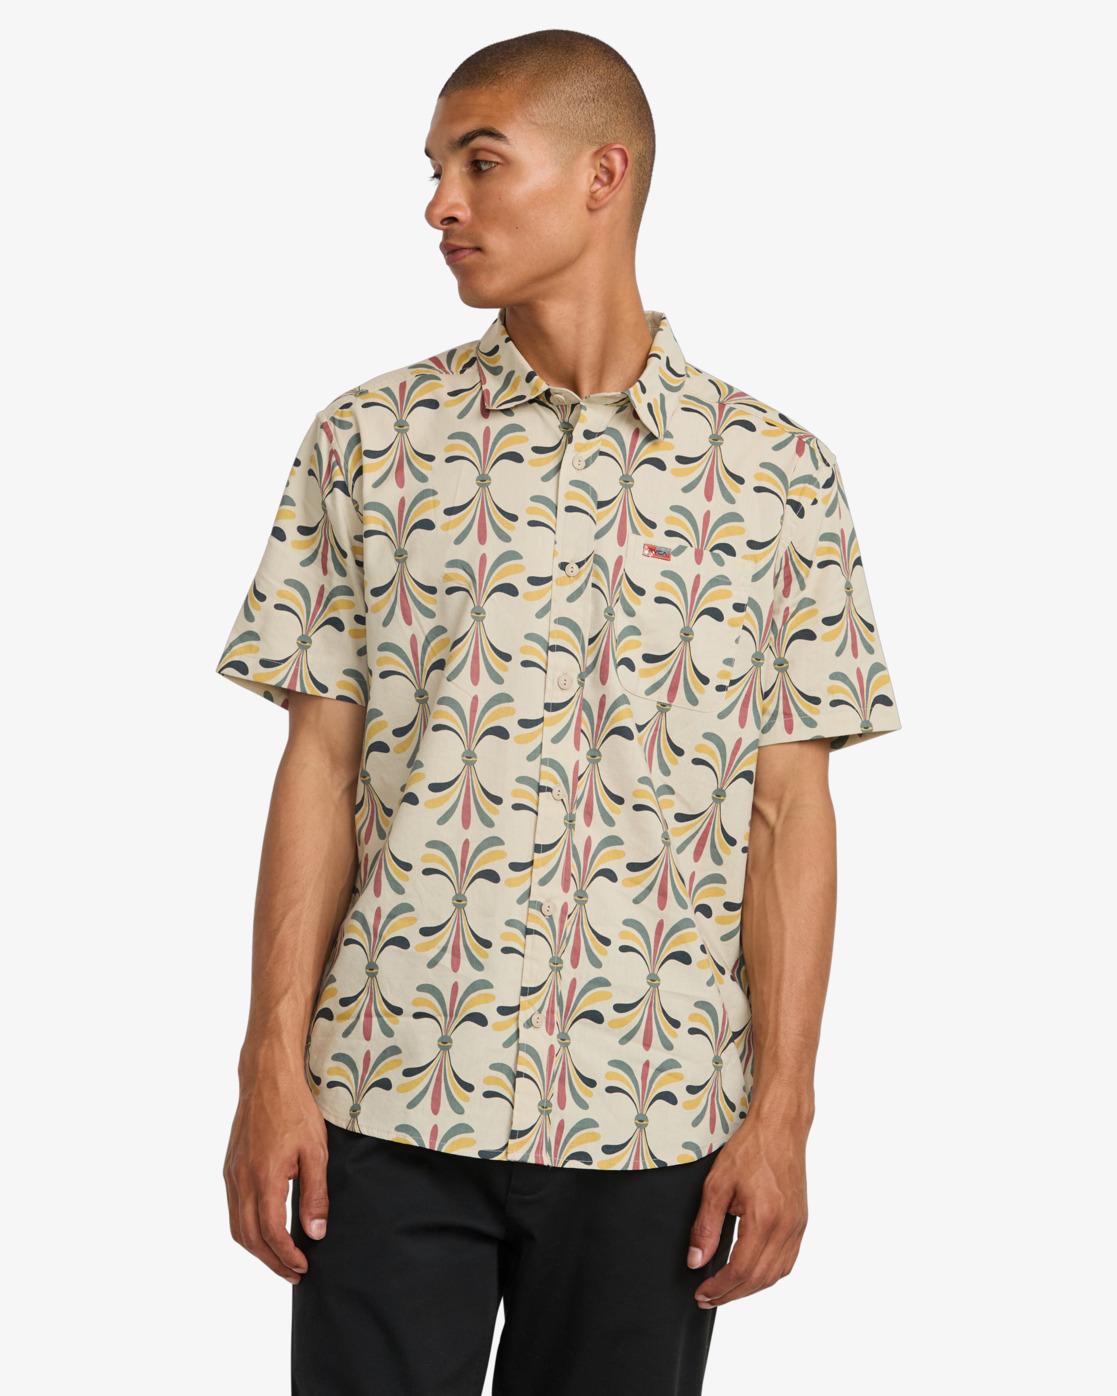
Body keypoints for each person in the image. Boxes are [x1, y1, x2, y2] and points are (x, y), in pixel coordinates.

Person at [214, 27, 902, 1396]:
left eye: (480, 163)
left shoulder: (776, 475)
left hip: (656, 1122)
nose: (439, 204)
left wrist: (783, 1115)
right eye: (432, 169)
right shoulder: (366, 442)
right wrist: (268, 1070)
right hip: (384, 1100)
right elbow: (317, 770)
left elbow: (789, 815)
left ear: (603, 174)